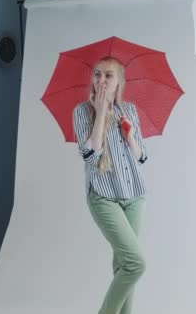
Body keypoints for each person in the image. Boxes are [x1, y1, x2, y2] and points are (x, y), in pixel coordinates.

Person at [73, 56, 148, 314]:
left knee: (124, 265)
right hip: (103, 197)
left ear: (119, 82)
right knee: (136, 264)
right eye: (97, 74)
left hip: (134, 196)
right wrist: (101, 111)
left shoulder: (130, 112)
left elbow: (142, 157)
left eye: (108, 75)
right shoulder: (81, 112)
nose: (101, 80)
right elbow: (89, 156)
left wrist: (129, 136)